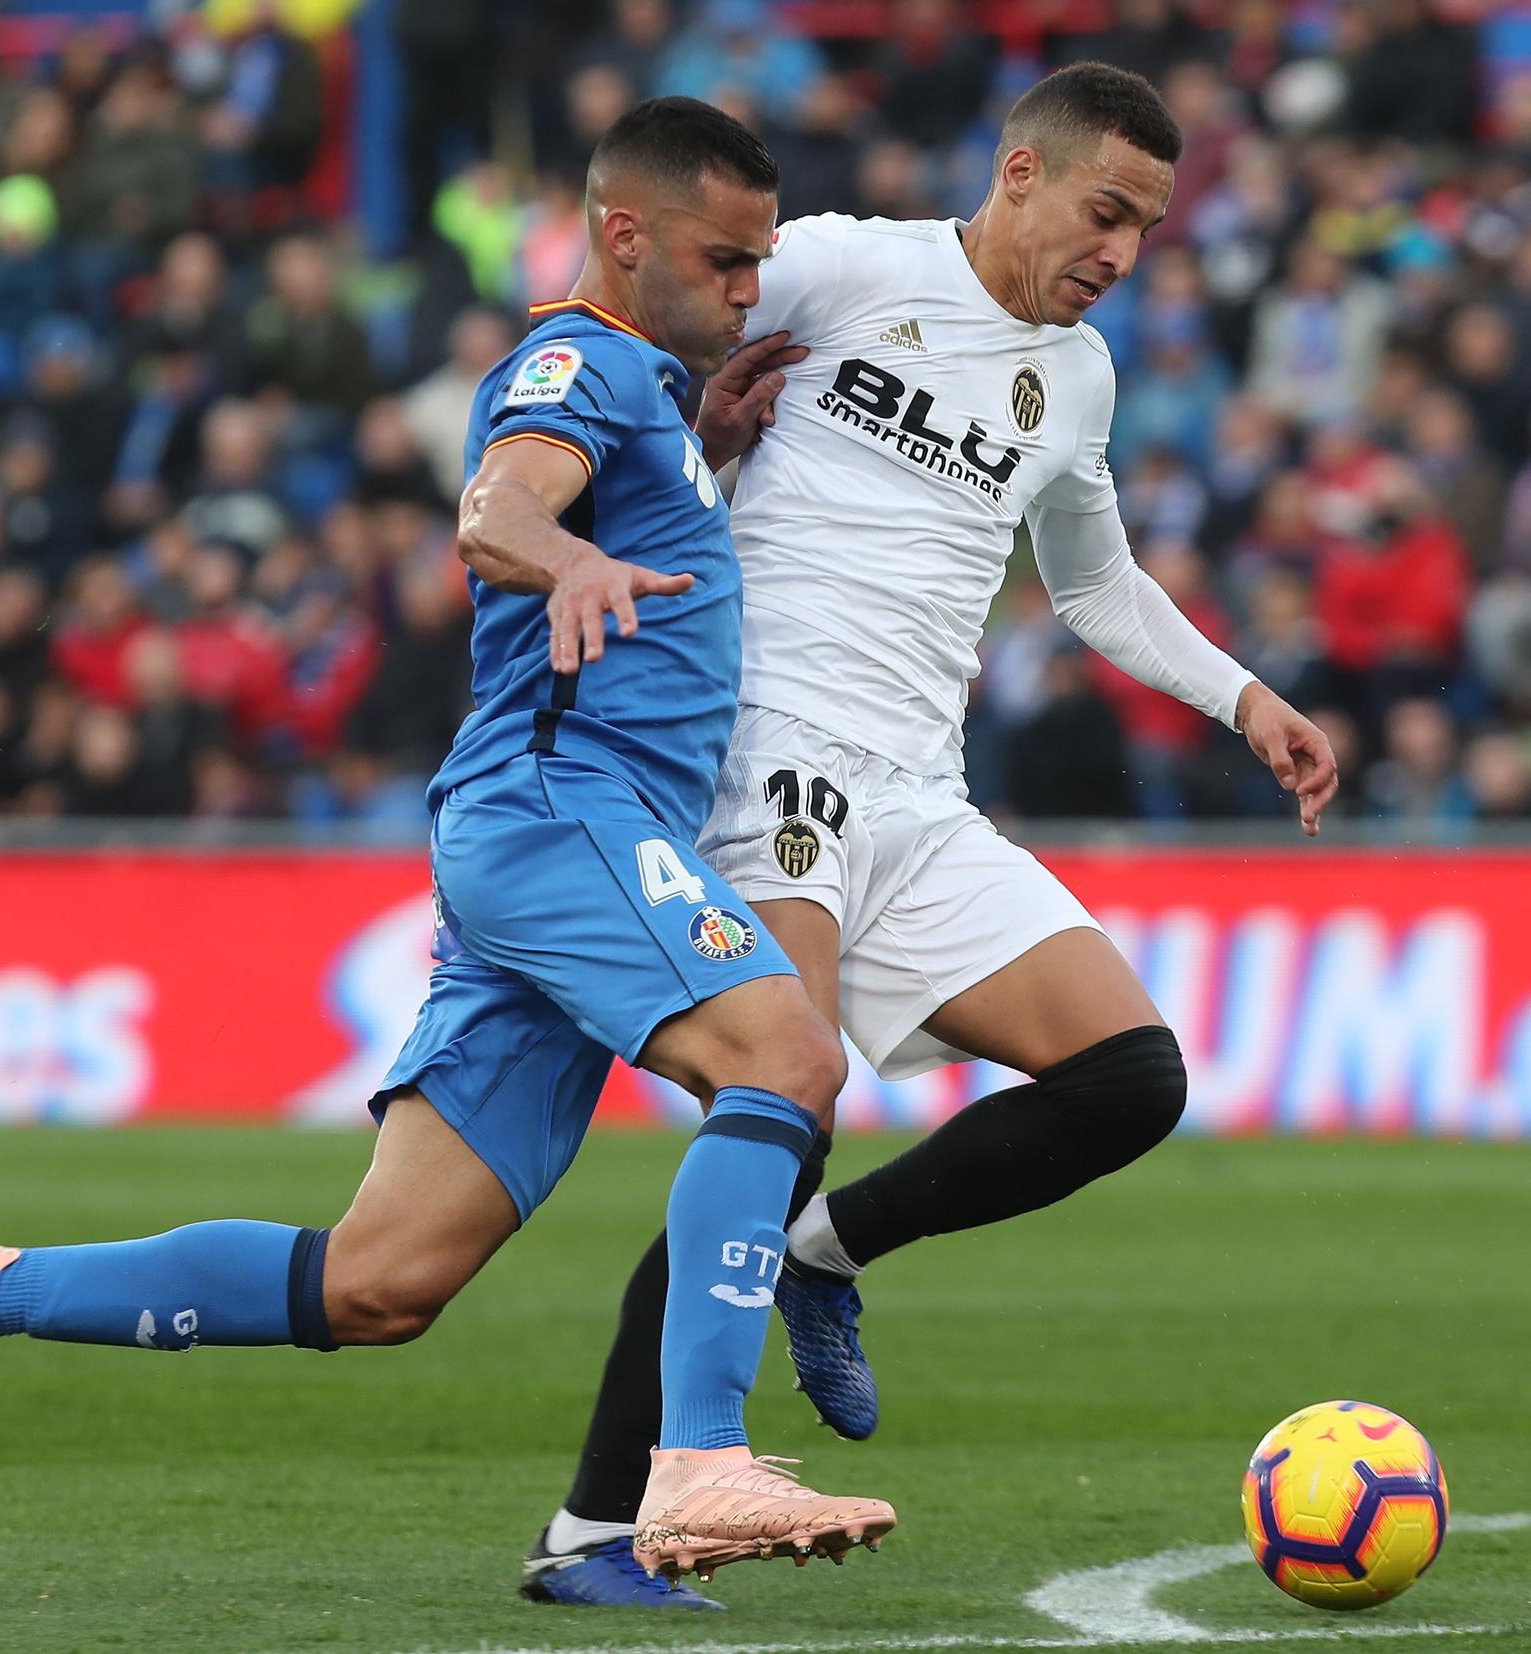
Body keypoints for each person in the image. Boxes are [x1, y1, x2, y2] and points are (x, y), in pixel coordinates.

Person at [0, 97, 894, 1593]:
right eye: (724, 257)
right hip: (561, 812)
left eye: (760, 258)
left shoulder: (651, 391)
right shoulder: (575, 360)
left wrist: (695, 450)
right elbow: (496, 507)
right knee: (785, 1058)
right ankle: (698, 1460)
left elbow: (585, 483)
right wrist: (566, 550)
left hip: (551, 841)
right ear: (623, 232)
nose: (746, 286)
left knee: (382, 1279)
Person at [521, 63, 1338, 1609]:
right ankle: (595, 1528)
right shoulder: (842, 268)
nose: (1121, 252)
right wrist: (694, 433)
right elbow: (623, 338)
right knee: (780, 1101)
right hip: (772, 746)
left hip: (918, 785)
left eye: (1150, 229)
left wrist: (1242, 700)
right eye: (1106, 212)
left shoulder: (1078, 377)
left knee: (1130, 1074)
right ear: (1019, 173)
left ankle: (829, 1257)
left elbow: (1091, 584)